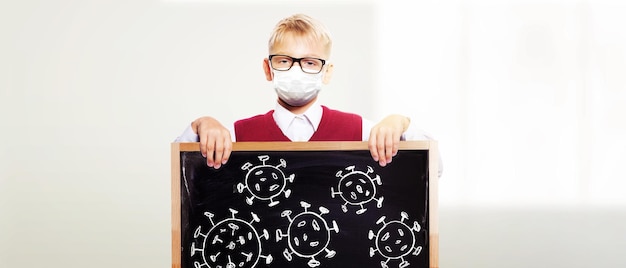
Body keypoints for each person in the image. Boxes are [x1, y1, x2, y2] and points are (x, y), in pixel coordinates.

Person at [176, 13, 439, 174]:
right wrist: (201, 125)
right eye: (284, 61)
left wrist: (400, 123)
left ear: (327, 72)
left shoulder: (362, 132)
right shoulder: (234, 138)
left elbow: (434, 169)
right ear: (268, 69)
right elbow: (184, 175)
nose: (296, 70)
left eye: (310, 63)